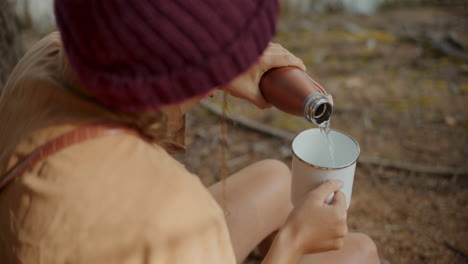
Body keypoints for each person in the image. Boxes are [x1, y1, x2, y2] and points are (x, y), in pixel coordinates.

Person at [0, 0, 379, 263]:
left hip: (80, 235)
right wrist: (294, 242)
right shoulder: (174, 211)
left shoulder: (48, 56)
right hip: (129, 236)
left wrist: (213, 61)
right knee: (359, 253)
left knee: (277, 179)